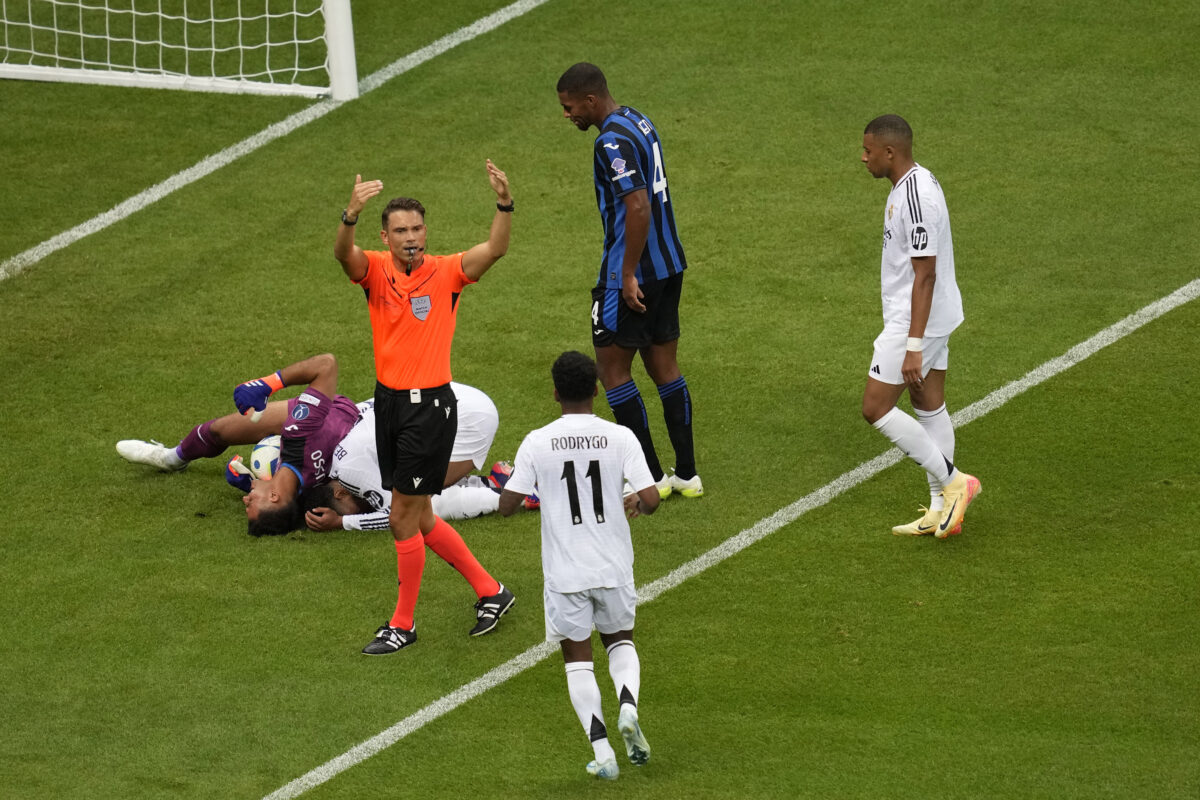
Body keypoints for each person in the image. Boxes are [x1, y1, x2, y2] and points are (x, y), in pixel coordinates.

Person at [334, 160, 515, 654]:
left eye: (417, 228)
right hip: (389, 405)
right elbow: (342, 256)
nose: (411, 237)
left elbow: (496, 249)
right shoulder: (372, 270)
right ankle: (491, 591)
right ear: (385, 236)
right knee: (424, 515)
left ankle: (403, 623)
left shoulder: (446, 272)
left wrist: (503, 202)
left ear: (425, 231)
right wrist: (349, 214)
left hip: (430, 409)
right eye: (400, 230)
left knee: (401, 517)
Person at [115, 354, 511, 532]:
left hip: (355, 422)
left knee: (225, 431)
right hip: (374, 426)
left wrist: (267, 383)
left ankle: (170, 458)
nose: (244, 502)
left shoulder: (300, 440)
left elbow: (326, 365)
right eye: (251, 503)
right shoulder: (317, 480)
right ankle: (171, 457)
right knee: (423, 496)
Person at [498, 351, 660, 781]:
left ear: (554, 393)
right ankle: (628, 706)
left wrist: (512, 481)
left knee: (577, 661)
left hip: (566, 575)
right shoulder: (620, 436)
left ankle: (603, 751)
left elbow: (507, 507)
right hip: (613, 566)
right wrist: (634, 502)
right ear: (595, 390)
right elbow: (651, 499)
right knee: (620, 641)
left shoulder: (537, 441)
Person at [555, 62, 701, 501]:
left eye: (569, 106)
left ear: (591, 100)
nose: (567, 115)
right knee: (663, 366)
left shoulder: (609, 140)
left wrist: (627, 273)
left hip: (633, 272)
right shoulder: (637, 119)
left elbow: (637, 206)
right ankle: (687, 475)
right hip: (670, 262)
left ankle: (651, 476)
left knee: (612, 371)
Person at [859, 114, 981, 538]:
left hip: (918, 321)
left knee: (875, 407)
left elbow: (924, 274)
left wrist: (913, 343)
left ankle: (954, 483)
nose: (863, 158)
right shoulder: (912, 184)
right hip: (929, 316)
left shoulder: (916, 197)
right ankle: (940, 509)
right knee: (928, 405)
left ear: (890, 152)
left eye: (868, 150)